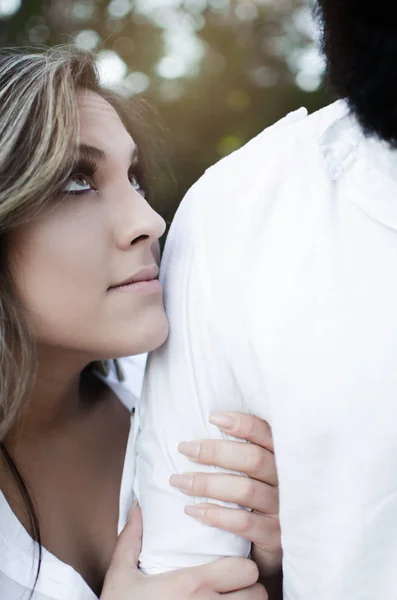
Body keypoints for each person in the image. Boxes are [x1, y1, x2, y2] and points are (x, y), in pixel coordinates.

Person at [135, 1, 397, 598]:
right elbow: (194, 571)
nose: (147, 221)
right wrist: (270, 566)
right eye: (78, 182)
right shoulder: (237, 214)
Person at [0, 47, 281, 600]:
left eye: (134, 178)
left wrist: (274, 568)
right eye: (75, 182)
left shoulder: (199, 396)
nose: (150, 222)